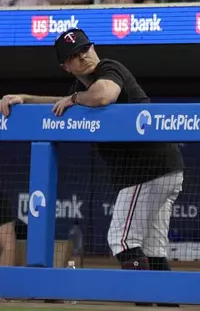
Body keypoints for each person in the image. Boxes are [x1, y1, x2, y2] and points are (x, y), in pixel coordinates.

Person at [0, 28, 185, 307]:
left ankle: (144, 301)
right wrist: (24, 98)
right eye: (74, 55)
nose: (83, 56)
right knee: (151, 247)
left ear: (93, 47)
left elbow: (103, 96)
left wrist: (74, 99)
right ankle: (168, 303)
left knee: (121, 239)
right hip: (164, 169)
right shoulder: (80, 90)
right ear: (66, 66)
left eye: (85, 49)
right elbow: (58, 104)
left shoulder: (109, 69)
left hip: (148, 171)